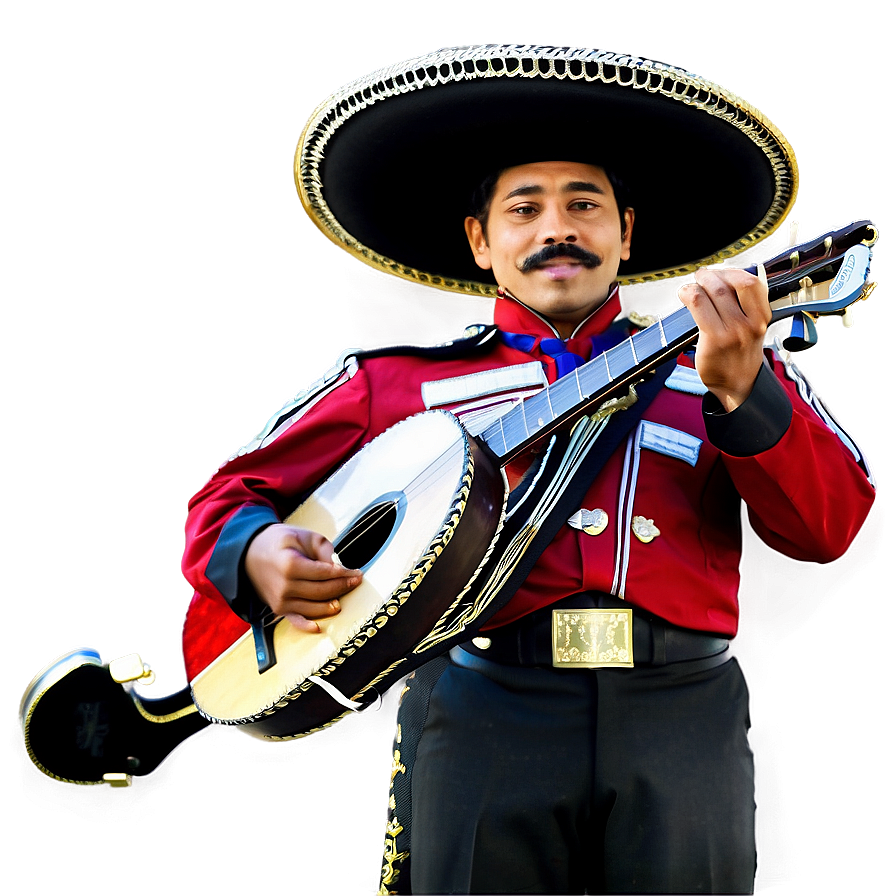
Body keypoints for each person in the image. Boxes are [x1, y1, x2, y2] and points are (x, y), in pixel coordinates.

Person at [181, 45, 875, 894]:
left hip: (684, 717)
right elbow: (228, 497)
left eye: (586, 204)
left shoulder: (724, 363)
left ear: (627, 232)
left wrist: (749, 394)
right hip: (481, 712)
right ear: (480, 240)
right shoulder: (394, 385)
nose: (557, 229)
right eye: (524, 208)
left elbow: (831, 528)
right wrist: (255, 553)